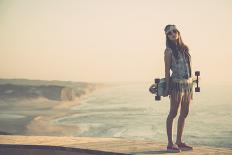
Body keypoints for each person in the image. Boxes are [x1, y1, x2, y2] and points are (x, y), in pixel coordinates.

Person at [163, 24, 194, 153]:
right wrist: (167, 87)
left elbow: (188, 66)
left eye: (174, 31)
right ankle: (170, 144)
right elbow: (166, 71)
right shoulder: (168, 51)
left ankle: (179, 142)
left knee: (185, 112)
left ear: (178, 32)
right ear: (167, 36)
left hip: (188, 85)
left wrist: (193, 79)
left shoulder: (185, 49)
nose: (173, 34)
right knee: (173, 113)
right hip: (176, 85)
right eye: (169, 33)